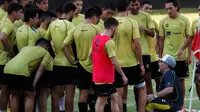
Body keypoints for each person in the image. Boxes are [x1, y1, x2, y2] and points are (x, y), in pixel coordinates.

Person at [62, 5, 102, 112]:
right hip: (96, 65)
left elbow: (64, 45)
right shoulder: (97, 28)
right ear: (94, 18)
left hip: (81, 65)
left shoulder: (75, 29)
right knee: (100, 95)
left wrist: (72, 61)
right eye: (98, 18)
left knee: (83, 94)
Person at [2, 38, 53, 112]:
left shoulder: (25, 48)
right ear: (46, 46)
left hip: (7, 68)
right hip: (21, 70)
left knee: (15, 94)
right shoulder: (46, 52)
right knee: (30, 95)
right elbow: (41, 69)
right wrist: (33, 84)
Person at [113, 0, 146, 112]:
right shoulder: (132, 23)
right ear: (127, 8)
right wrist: (141, 64)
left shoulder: (110, 22)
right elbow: (137, 45)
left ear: (116, 10)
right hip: (132, 63)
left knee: (119, 94)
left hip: (116, 65)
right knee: (141, 88)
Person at [44, 2, 76, 112]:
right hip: (68, 63)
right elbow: (70, 45)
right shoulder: (70, 25)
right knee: (70, 94)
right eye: (74, 14)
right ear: (71, 12)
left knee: (56, 94)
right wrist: (73, 60)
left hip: (56, 62)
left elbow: (45, 40)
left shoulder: (52, 24)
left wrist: (53, 54)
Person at [91, 17, 128, 112]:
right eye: (117, 29)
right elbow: (114, 61)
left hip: (99, 75)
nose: (116, 32)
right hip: (105, 77)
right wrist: (123, 75)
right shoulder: (109, 41)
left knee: (115, 98)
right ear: (113, 29)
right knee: (101, 101)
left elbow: (90, 55)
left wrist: (99, 63)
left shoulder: (96, 38)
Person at [159, 0, 191, 104]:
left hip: (181, 57)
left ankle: (180, 105)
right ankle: (167, 104)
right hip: (167, 58)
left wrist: (189, 55)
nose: (168, 11)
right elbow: (161, 39)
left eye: (170, 8)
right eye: (166, 9)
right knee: (166, 80)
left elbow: (189, 38)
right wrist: (160, 56)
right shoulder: (163, 21)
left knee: (181, 82)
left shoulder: (184, 20)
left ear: (176, 7)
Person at [0, 3, 23, 112]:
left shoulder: (4, 20)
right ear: (13, 12)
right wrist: (11, 52)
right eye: (20, 12)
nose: (21, 15)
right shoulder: (9, 24)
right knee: (6, 90)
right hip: (3, 60)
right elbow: (3, 37)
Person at [178, 5, 200, 101]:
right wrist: (182, 48)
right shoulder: (196, 22)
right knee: (198, 82)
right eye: (199, 10)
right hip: (199, 57)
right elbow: (191, 37)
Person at [140, 0, 162, 92]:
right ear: (141, 8)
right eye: (146, 8)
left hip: (153, 57)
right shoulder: (136, 21)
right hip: (143, 56)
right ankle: (148, 103)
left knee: (159, 80)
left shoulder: (152, 21)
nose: (148, 10)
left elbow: (159, 34)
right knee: (146, 81)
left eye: (150, 9)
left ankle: (160, 102)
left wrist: (157, 46)